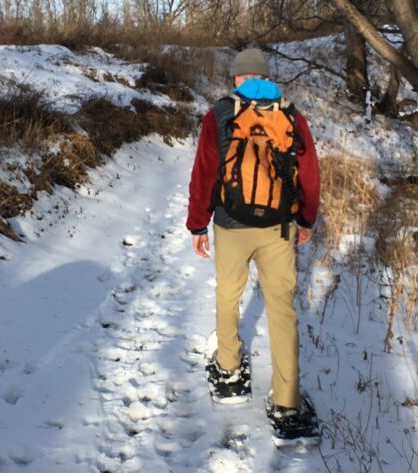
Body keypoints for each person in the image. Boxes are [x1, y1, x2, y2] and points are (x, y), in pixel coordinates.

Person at [185, 48, 320, 442]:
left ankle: (228, 371)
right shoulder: (292, 115)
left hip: (230, 223)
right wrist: (305, 218)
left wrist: (198, 224)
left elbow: (205, 172)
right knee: (282, 310)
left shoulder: (220, 114)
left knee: (228, 293)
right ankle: (287, 403)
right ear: (266, 77)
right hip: (279, 227)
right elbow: (309, 172)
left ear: (237, 78)